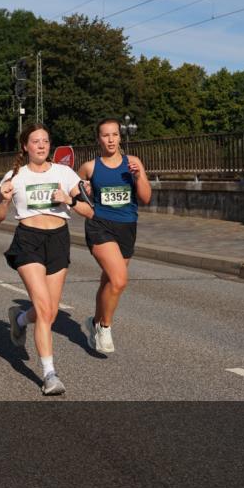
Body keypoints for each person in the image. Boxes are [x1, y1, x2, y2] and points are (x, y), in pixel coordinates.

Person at [0, 124, 94, 395]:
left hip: (58, 241)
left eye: (46, 141)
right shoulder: (15, 176)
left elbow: (89, 211)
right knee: (45, 307)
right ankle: (50, 374)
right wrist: (3, 200)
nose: (41, 145)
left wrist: (69, 200)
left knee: (47, 310)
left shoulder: (64, 173)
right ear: (25, 146)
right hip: (28, 241)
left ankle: (22, 319)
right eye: (35, 141)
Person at [76, 118, 152, 354]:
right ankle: (105, 327)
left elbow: (146, 198)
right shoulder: (89, 167)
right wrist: (84, 192)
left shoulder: (133, 163)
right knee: (119, 280)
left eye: (115, 135)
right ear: (98, 139)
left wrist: (138, 177)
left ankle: (94, 322)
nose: (110, 139)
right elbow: (76, 194)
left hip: (127, 226)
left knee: (109, 281)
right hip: (100, 225)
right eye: (105, 135)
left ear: (120, 137)